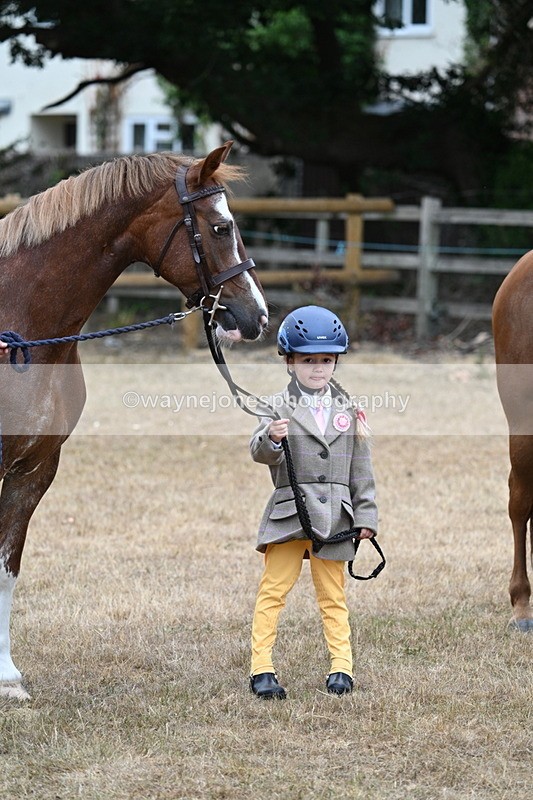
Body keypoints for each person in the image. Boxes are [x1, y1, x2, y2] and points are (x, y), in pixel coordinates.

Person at [249, 305, 378, 699]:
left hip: (336, 518)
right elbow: (258, 451)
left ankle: (342, 667)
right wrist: (272, 438)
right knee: (273, 592)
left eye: (325, 360)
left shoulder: (349, 411)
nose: (317, 369)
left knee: (333, 596)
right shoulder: (276, 407)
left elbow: (361, 468)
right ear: (289, 362)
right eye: (308, 361)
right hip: (290, 515)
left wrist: (367, 514)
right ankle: (261, 669)